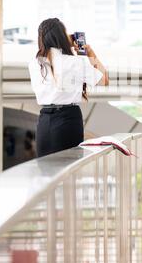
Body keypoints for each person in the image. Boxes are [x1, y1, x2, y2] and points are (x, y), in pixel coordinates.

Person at [28, 18, 108, 158]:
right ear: (62, 37)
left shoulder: (35, 64)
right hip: (68, 119)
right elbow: (105, 80)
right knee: (68, 168)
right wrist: (89, 52)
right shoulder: (74, 62)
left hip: (44, 122)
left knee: (46, 169)